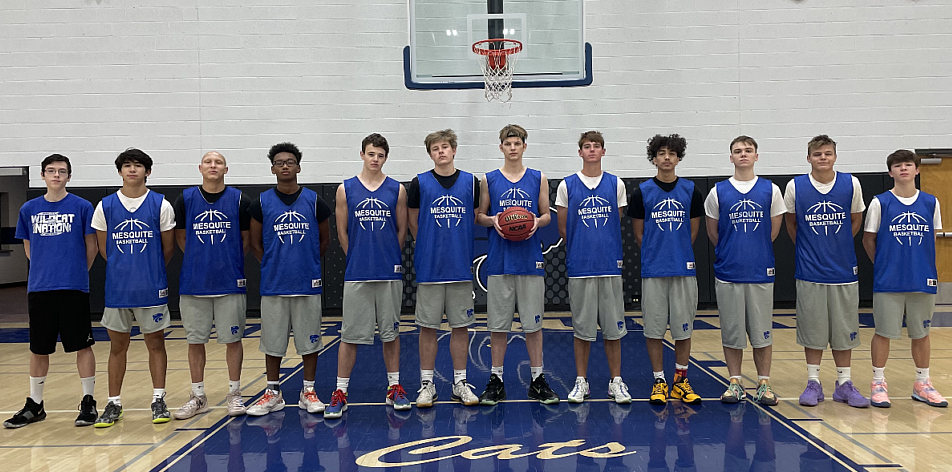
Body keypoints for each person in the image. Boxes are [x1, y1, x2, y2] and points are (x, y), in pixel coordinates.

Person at [5, 154, 98, 429]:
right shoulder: (29, 209)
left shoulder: (82, 206)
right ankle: (35, 404)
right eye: (51, 171)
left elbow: (91, 246)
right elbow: (29, 248)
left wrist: (75, 271)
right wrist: (46, 269)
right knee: (38, 348)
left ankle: (88, 401)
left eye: (61, 171)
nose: (56, 175)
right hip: (41, 288)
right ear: (42, 175)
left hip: (73, 287)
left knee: (82, 345)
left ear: (69, 176)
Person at [324, 133, 409, 419]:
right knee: (349, 335)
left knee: (390, 334)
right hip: (358, 272)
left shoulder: (397, 189)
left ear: (386, 158)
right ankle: (340, 392)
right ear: (362, 154)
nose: (375, 159)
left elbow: (401, 231)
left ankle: (394, 387)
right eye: (371, 154)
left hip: (388, 272)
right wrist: (359, 257)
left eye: (380, 155)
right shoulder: (345, 189)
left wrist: (388, 256)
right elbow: (342, 232)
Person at [475, 124, 559, 405]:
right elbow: (480, 216)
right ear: (501, 147)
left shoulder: (538, 177)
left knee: (533, 326)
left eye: (517, 143)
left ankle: (537, 379)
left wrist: (535, 221)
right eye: (508, 144)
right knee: (498, 327)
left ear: (524, 146)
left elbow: (546, 215)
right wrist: (494, 220)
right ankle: (496, 379)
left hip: (529, 261)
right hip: (499, 260)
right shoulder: (489, 179)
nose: (513, 148)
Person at [92, 148, 176, 427]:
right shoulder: (105, 206)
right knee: (117, 347)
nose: (132, 170)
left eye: (138, 165)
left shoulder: (161, 205)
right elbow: (105, 250)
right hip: (118, 290)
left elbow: (167, 250)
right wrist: (125, 269)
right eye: (127, 165)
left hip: (151, 288)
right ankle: (114, 403)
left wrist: (147, 270)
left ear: (147, 171)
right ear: (119, 171)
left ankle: (159, 399)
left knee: (156, 344)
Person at [784, 134, 869, 408]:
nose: (823, 157)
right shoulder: (795, 186)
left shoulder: (851, 183)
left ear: (835, 156)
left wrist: (836, 244)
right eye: (818, 154)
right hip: (810, 271)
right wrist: (812, 248)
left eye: (828, 153)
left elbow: (855, 220)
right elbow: (792, 224)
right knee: (813, 330)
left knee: (844, 331)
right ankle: (813, 382)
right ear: (808, 157)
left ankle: (844, 383)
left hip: (843, 270)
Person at [247, 142, 331, 417]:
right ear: (273, 169)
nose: (285, 166)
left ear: (298, 167)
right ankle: (273, 392)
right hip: (274, 285)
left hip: (307, 283)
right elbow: (256, 243)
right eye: (279, 162)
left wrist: (306, 263)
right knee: (273, 342)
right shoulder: (261, 202)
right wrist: (273, 265)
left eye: (290, 162)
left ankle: (308, 391)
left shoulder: (314, 201)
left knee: (310, 341)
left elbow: (324, 240)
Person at [862, 149, 947, 408]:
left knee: (921, 333)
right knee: (883, 332)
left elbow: (932, 237)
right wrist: (884, 265)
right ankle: (878, 383)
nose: (903, 169)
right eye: (898, 165)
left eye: (908, 164)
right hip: (889, 280)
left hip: (922, 279)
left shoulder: (931, 202)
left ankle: (923, 383)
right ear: (890, 172)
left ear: (917, 169)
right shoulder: (880, 203)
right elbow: (868, 239)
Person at [704, 136, 785, 405]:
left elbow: (773, 231)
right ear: (731, 157)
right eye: (738, 151)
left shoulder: (771, 190)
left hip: (760, 271)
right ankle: (735, 382)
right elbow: (713, 232)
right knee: (732, 332)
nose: (743, 154)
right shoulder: (718, 192)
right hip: (729, 271)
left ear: (756, 156)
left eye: (748, 150)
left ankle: (764, 383)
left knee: (762, 333)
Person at [171, 151, 253, 419]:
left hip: (230, 282)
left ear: (226, 169)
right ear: (200, 168)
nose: (213, 165)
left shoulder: (240, 200)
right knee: (195, 342)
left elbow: (245, 240)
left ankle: (234, 394)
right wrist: (201, 259)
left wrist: (226, 261)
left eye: (218, 162)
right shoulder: (185, 199)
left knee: (233, 340)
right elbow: (181, 238)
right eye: (208, 162)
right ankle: (198, 396)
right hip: (195, 283)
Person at [555, 130, 631, 404]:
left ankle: (616, 381)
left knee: (613, 330)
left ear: (603, 151)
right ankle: (581, 381)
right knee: (582, 331)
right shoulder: (566, 185)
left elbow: (616, 221)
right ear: (580, 152)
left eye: (596, 146)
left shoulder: (616, 184)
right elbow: (564, 228)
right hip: (581, 266)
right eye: (586, 146)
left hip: (609, 265)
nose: (591, 150)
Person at [628, 133, 703, 405]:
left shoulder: (692, 191)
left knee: (683, 331)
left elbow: (693, 232)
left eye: (672, 153)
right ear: (654, 159)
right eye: (661, 153)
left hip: (683, 269)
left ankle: (680, 381)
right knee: (654, 330)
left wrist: (676, 253)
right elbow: (639, 235)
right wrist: (658, 254)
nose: (667, 158)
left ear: (678, 158)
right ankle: (659, 380)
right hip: (654, 271)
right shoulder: (642, 192)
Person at [408, 129, 480, 407]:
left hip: (460, 266)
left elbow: (475, 217)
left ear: (454, 150)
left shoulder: (471, 182)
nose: (441, 152)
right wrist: (428, 244)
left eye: (445, 147)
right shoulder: (419, 183)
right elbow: (413, 221)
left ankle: (459, 382)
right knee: (428, 328)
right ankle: (427, 384)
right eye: (435, 148)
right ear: (430, 154)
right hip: (430, 267)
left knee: (460, 327)